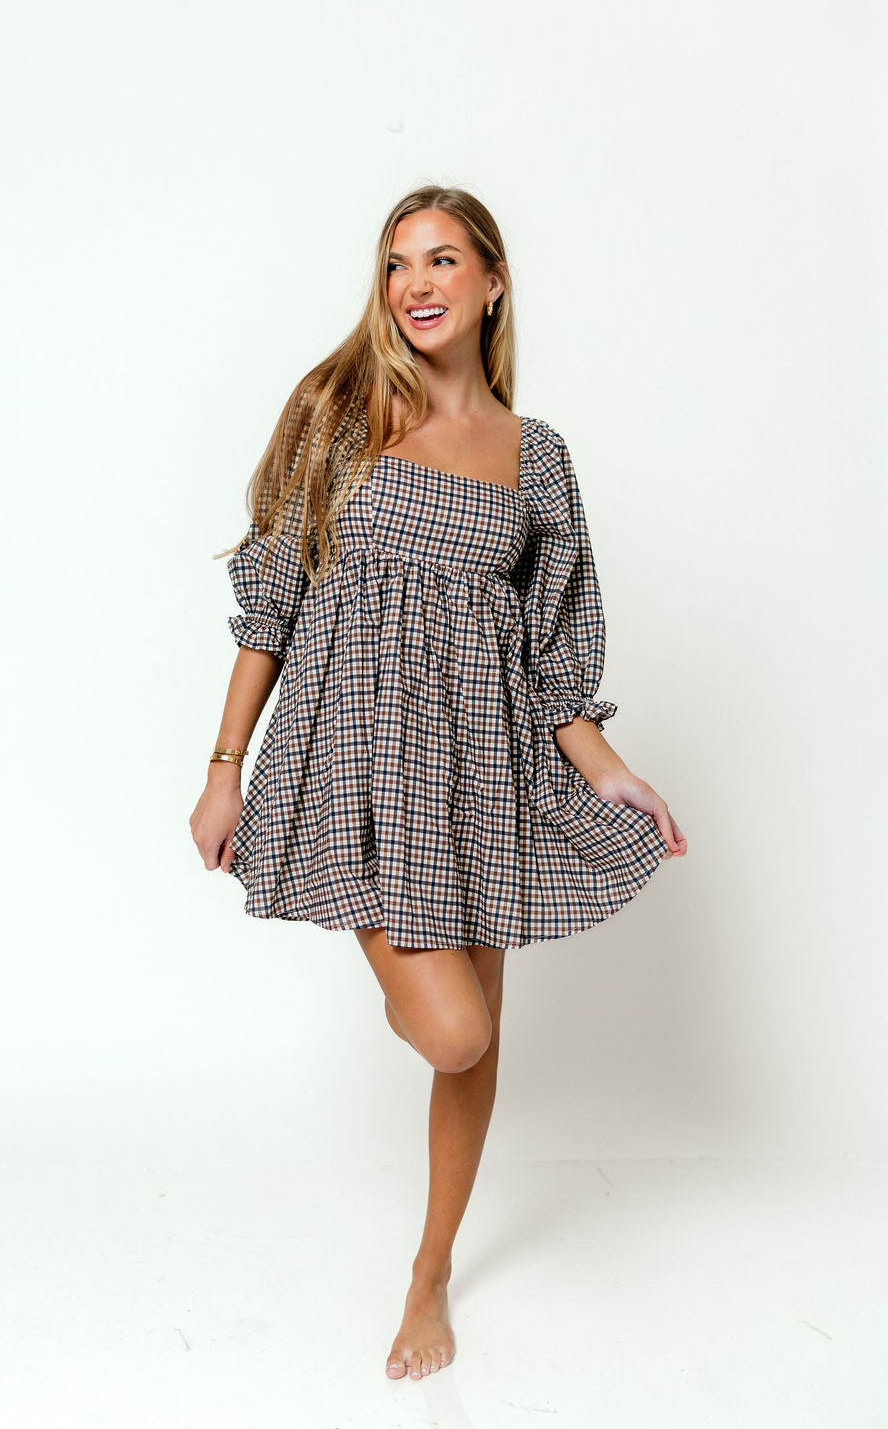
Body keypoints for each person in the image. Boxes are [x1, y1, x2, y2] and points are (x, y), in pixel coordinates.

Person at [189, 183, 687, 1383]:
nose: (415, 284)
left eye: (442, 259)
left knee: (476, 1036)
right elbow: (273, 600)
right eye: (397, 263)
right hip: (348, 755)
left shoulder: (536, 454)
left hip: (483, 768)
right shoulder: (336, 412)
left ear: (492, 281)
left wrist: (612, 771)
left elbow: (553, 654)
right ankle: (405, 990)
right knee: (451, 1029)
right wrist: (223, 768)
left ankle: (428, 1270)